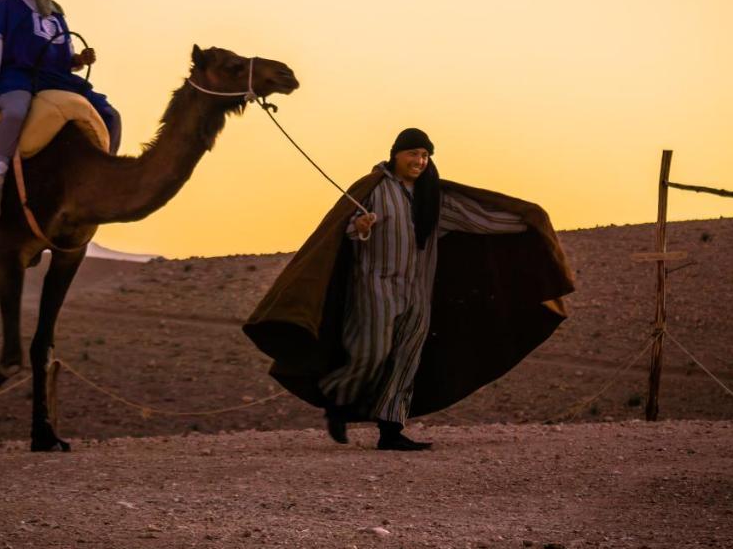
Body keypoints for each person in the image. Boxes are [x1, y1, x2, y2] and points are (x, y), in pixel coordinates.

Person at [243, 128, 575, 451]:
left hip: (418, 292)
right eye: (413, 153)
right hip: (374, 288)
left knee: (406, 358)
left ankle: (391, 430)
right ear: (396, 155)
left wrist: (528, 222)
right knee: (371, 352)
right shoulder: (371, 189)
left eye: (425, 155)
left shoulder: (433, 198)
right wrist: (359, 227)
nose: (420, 160)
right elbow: (339, 231)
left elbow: (477, 220)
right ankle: (337, 400)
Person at [0, 0, 122, 218]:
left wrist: (80, 60)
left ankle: (105, 181)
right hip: (19, 75)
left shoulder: (55, 12)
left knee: (110, 116)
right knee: (16, 112)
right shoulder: (7, 5)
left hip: (58, 80)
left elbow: (64, 56)